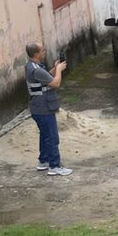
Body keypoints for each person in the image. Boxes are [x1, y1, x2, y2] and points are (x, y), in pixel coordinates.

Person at [25, 43, 73, 176]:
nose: (44, 52)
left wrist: (55, 69)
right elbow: (56, 83)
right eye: (42, 51)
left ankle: (44, 161)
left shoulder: (31, 66)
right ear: (36, 54)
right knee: (52, 137)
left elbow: (46, 78)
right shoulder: (36, 69)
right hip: (43, 108)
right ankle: (54, 166)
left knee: (45, 135)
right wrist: (59, 70)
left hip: (38, 108)